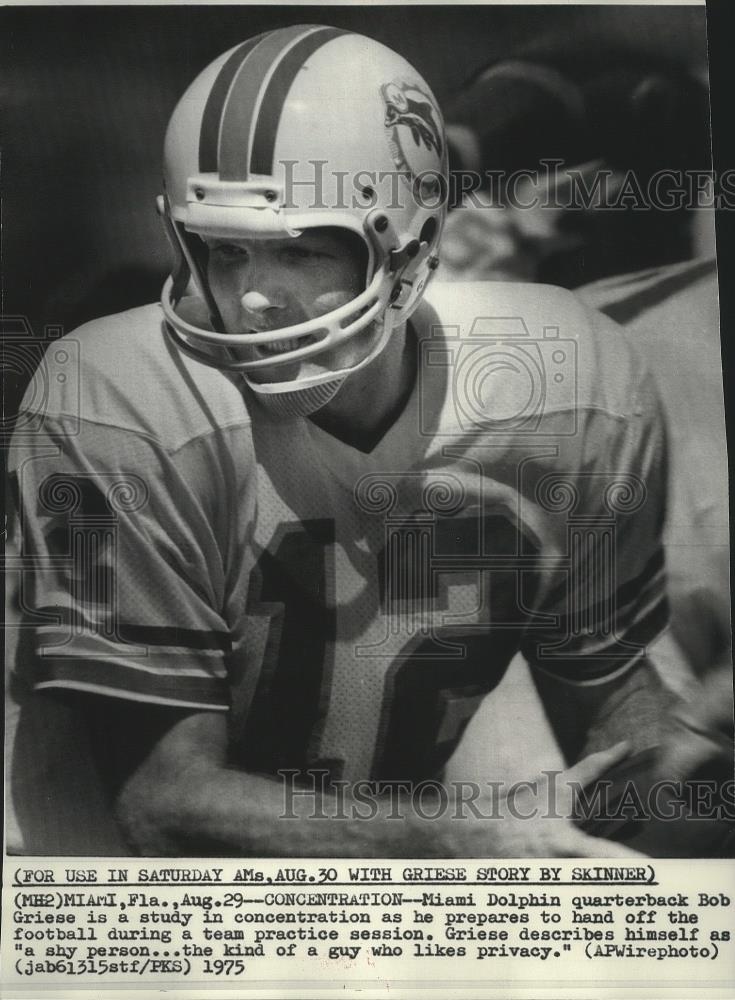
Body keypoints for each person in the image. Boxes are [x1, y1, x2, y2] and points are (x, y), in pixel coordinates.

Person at [8, 25, 683, 858]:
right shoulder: (122, 397)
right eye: (224, 250)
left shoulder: (570, 388)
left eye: (302, 249)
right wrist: (460, 843)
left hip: (371, 903)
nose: (255, 298)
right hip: (110, 925)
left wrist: (673, 772)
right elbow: (163, 804)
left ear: (415, 249)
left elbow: (614, 710)